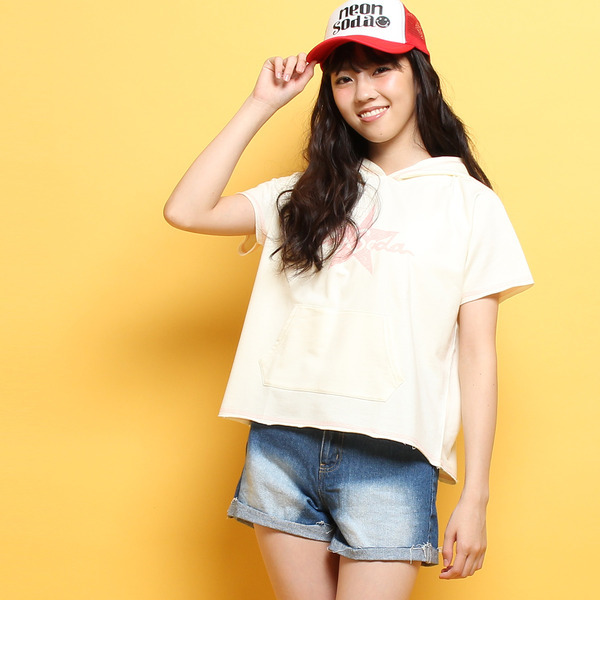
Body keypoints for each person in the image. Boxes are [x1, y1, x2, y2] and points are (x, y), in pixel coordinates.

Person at [164, 0, 534, 600]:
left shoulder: (470, 204)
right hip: (283, 442)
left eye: (381, 68)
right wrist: (260, 104)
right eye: (344, 77)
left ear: (419, 75)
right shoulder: (306, 193)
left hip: (392, 457)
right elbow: (186, 210)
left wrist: (476, 494)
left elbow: (477, 355)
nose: (364, 92)